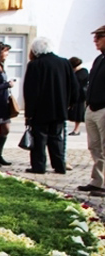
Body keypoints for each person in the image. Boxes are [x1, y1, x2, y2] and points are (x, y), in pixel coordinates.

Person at [23, 37, 78, 174]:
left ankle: (39, 166)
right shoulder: (64, 63)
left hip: (40, 110)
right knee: (56, 138)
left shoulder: (35, 65)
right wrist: (70, 103)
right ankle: (59, 165)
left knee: (39, 139)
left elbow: (30, 91)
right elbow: (74, 86)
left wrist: (29, 113)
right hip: (59, 108)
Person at [78, 26, 105, 196]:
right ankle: (98, 181)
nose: (95, 40)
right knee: (94, 147)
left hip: (103, 108)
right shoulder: (99, 59)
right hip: (93, 108)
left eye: (99, 37)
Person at [67, 57, 89, 136]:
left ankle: (77, 129)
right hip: (73, 94)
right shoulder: (74, 73)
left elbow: (77, 81)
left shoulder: (83, 72)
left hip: (80, 96)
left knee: (78, 113)